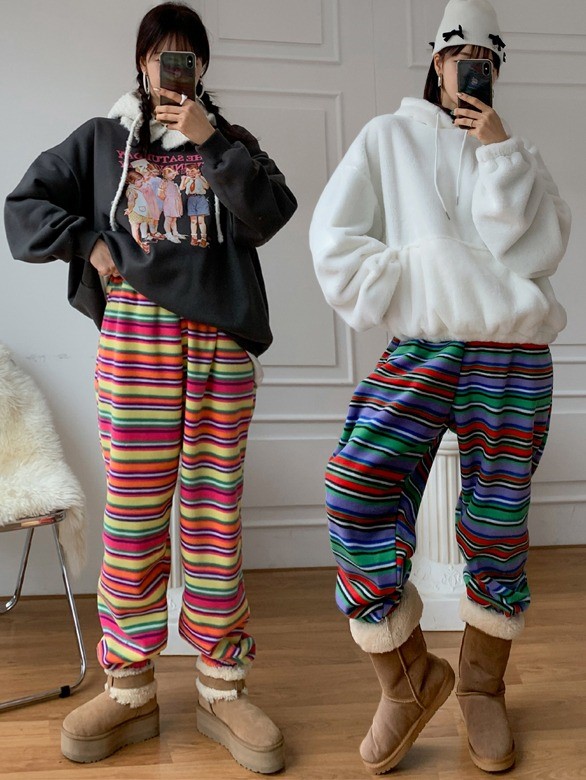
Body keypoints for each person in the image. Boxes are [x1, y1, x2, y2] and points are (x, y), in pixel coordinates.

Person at [4, 2, 296, 774]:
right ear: (139, 64)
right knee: (133, 517)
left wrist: (210, 140)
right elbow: (24, 208)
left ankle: (222, 688)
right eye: (160, 55)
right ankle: (129, 687)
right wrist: (91, 244)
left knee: (213, 517)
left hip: (220, 347)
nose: (173, 68)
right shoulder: (103, 140)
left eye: (186, 56)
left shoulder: (230, 142)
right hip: (136, 343)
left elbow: (270, 214)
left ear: (202, 67)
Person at [309, 0, 570, 773]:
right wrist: (411, 277)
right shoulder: (386, 137)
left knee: (497, 524)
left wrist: (498, 152)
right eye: (461, 57)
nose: (471, 70)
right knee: (354, 486)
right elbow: (334, 237)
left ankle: (482, 686)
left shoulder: (515, 154)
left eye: (486, 60)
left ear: (497, 68)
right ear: (437, 60)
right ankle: (408, 679)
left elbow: (539, 254)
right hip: (423, 345)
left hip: (512, 350)